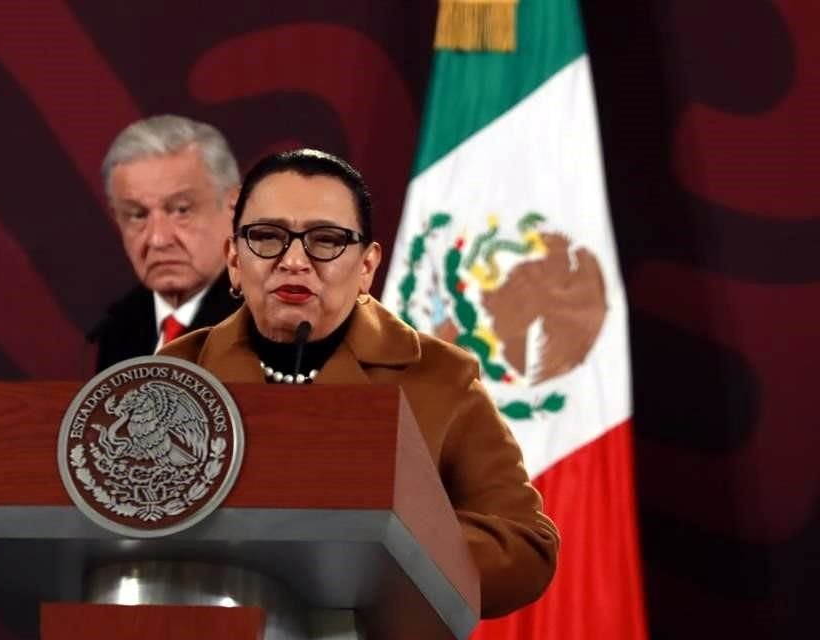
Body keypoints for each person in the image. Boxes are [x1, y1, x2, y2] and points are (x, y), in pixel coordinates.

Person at [159, 148, 559, 618]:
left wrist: (380, 542)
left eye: (325, 240)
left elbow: (526, 547)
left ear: (367, 266)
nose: (293, 261)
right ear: (233, 258)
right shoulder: (180, 371)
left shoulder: (440, 377)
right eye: (267, 237)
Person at [91, 115, 242, 372]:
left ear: (234, 206)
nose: (158, 239)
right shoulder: (117, 331)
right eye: (137, 215)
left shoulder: (269, 326)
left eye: (181, 210)